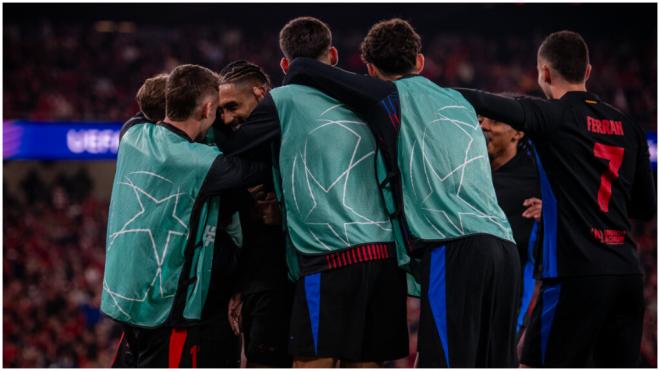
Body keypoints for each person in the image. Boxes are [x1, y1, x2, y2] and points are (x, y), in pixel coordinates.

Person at [285, 18, 521, 367]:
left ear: (369, 68)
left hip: (454, 247)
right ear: (421, 62)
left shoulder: (387, 95)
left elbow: (304, 67)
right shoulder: (459, 99)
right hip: (505, 249)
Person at [457, 30, 656, 367]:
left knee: (533, 363)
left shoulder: (552, 115)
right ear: (588, 71)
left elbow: (485, 101)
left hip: (575, 276)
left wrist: (425, 89)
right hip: (627, 276)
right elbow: (645, 208)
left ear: (544, 73)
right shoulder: (628, 125)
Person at [220, 17, 410, 368]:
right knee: (368, 362)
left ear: (284, 64)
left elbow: (232, 149)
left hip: (331, 255)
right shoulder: (368, 96)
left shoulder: (283, 99)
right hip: (385, 254)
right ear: (334, 55)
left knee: (312, 362)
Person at [101, 64, 269, 368]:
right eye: (219, 109)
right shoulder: (204, 164)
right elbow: (258, 168)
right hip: (166, 313)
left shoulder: (131, 133)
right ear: (207, 108)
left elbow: (147, 103)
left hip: (126, 304)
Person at [215, 60, 293, 368]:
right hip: (256, 282)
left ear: (260, 93)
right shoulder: (233, 146)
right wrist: (240, 286)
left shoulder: (293, 136)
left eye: (233, 106)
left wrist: (284, 215)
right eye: (221, 110)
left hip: (289, 281)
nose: (227, 117)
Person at [479, 114, 542, 339]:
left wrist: (551, 212)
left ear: (518, 133)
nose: (484, 127)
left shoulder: (537, 177)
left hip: (510, 296)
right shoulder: (470, 169)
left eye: (494, 122)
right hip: (466, 286)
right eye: (480, 120)